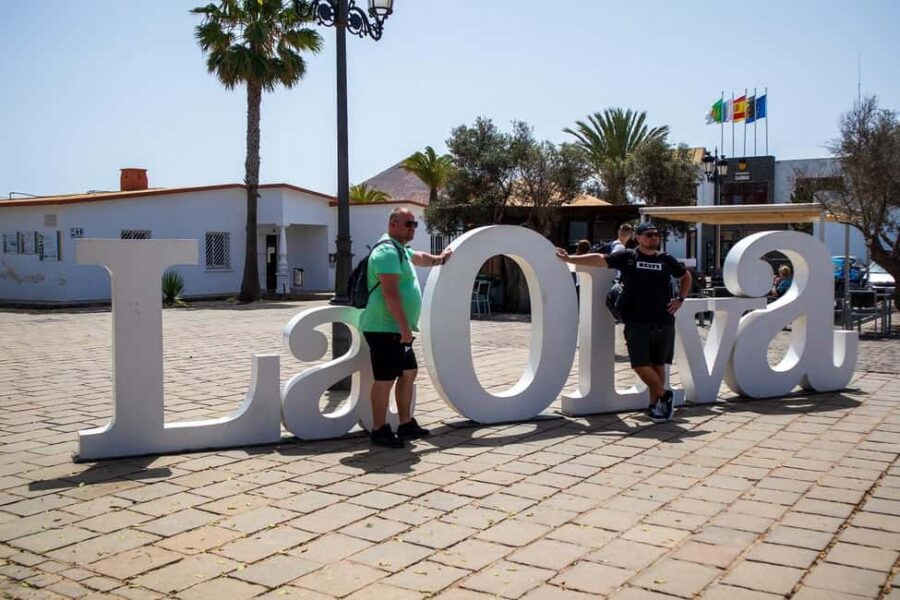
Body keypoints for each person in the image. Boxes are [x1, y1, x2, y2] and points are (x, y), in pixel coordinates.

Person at [556, 222, 691, 423]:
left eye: (656, 235)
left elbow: (685, 276)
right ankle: (664, 394)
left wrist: (680, 299)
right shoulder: (629, 257)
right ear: (638, 237)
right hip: (636, 319)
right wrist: (569, 258)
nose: (653, 238)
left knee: (658, 364)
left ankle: (656, 406)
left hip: (664, 319)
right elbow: (600, 259)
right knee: (640, 364)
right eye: (648, 235)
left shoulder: (666, 259)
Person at [360, 208, 452, 448]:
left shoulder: (401, 250)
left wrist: (440, 259)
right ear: (393, 224)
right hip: (384, 328)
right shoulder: (387, 252)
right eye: (408, 224)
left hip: (397, 331)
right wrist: (404, 329)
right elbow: (390, 295)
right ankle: (379, 429)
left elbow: (419, 257)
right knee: (385, 379)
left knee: (408, 373)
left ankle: (405, 424)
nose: (413, 228)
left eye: (415, 224)